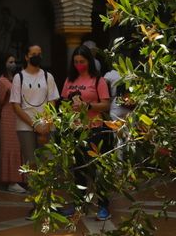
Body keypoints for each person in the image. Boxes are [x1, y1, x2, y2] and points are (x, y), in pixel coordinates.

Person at [61, 43, 113, 221]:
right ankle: (79, 204)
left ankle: (104, 205)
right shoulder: (70, 80)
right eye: (75, 61)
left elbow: (106, 104)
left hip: (95, 129)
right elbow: (63, 102)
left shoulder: (98, 81)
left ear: (89, 61)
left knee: (98, 170)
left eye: (82, 61)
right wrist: (70, 107)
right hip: (76, 130)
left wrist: (88, 105)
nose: (78, 64)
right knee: (78, 170)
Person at [9, 44, 60, 187]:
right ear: (26, 57)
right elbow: (15, 105)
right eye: (33, 54)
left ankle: (48, 201)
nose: (37, 56)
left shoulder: (47, 76)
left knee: (48, 162)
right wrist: (34, 125)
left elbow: (52, 102)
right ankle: (36, 202)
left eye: (39, 53)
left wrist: (46, 125)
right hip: (25, 126)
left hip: (47, 124)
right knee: (31, 163)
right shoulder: (19, 77)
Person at [0, 53, 26, 194]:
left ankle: (20, 178)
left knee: (20, 146)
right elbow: (6, 97)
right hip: (8, 115)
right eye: (10, 61)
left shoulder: (18, 78)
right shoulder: (2, 80)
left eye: (14, 61)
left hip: (19, 115)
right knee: (10, 147)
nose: (13, 64)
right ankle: (12, 181)